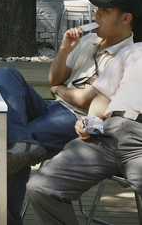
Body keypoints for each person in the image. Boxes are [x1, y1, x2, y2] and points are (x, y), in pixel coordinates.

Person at [0, 0, 142, 225]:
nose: (97, 14)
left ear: (125, 18)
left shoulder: (128, 54)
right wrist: (64, 50)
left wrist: (60, 90)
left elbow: (83, 99)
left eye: (105, 11)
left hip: (77, 118)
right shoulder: (89, 40)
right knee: (6, 74)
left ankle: (19, 145)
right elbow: (54, 79)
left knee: (12, 147)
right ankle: (20, 141)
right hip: (55, 108)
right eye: (97, 9)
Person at [27, 42, 142, 225]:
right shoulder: (133, 51)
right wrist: (90, 120)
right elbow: (104, 95)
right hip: (108, 132)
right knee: (41, 187)